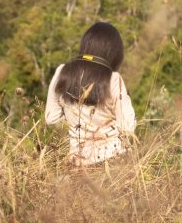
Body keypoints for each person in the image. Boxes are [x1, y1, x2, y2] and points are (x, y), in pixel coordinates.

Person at [45, 22, 136, 166]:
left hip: (78, 164)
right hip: (115, 163)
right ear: (114, 53)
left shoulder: (61, 72)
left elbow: (51, 118)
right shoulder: (113, 79)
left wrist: (75, 121)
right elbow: (128, 127)